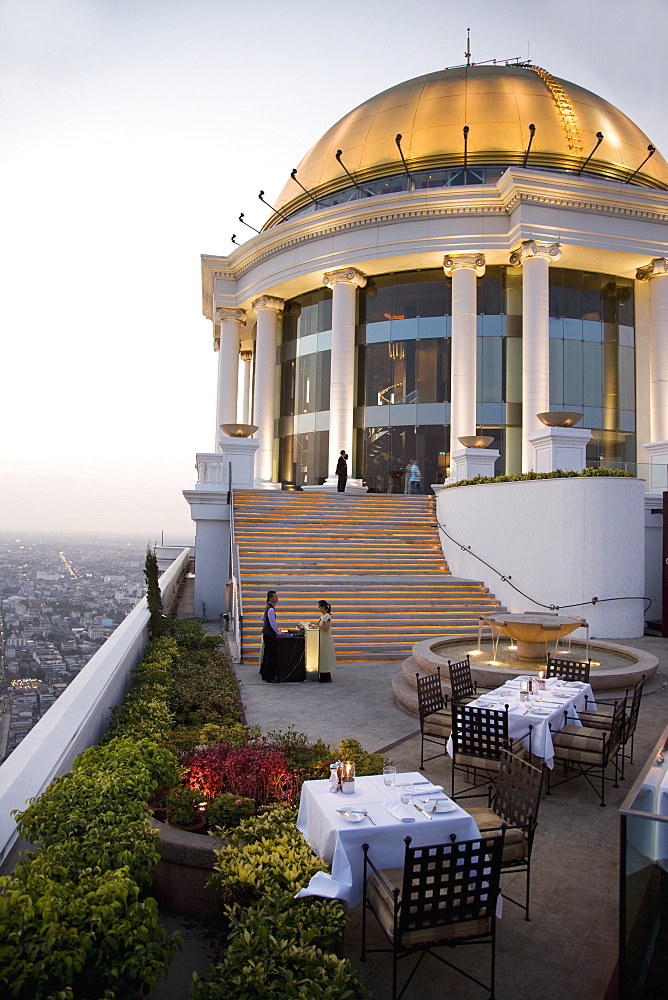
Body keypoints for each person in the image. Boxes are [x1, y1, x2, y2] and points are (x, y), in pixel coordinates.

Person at [308, 599, 335, 682]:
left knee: (325, 657)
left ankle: (326, 676)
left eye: (319, 607)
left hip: (325, 639)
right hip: (322, 638)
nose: (318, 608)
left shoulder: (327, 616)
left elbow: (326, 628)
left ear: (323, 607)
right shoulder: (323, 616)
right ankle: (323, 675)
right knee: (322, 657)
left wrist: (317, 625)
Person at [260, 590, 283, 682]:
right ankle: (270, 676)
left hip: (266, 633)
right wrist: (278, 632)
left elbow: (262, 618)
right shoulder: (271, 609)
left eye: (277, 596)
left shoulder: (268, 607)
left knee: (267, 654)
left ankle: (265, 673)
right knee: (270, 656)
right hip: (269, 634)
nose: (277, 598)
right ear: (270, 598)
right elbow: (273, 623)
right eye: (275, 597)